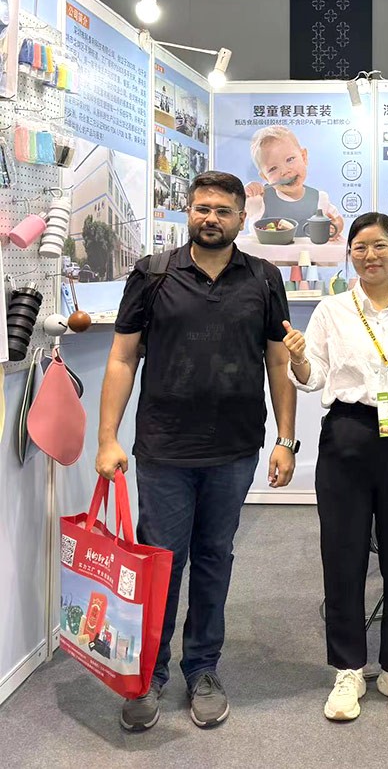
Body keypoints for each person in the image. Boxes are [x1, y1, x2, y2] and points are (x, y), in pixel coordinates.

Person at [95, 171, 298, 733]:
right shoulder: (153, 274)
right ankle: (148, 674)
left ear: (241, 218)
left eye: (223, 210)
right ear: (188, 211)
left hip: (234, 448)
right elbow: (122, 358)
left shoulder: (263, 278)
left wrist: (286, 440)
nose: (211, 218)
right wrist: (107, 437)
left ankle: (203, 668)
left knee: (214, 558)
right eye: (202, 208)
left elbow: (278, 361)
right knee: (161, 562)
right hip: (164, 448)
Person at [282, 212, 388, 722]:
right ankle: (348, 668)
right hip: (348, 435)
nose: (370, 255)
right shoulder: (332, 310)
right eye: (360, 247)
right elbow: (313, 378)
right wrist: (298, 359)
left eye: (380, 245)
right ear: (350, 254)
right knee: (343, 554)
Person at [244, 125, 344, 235]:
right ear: (265, 177)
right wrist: (248, 193)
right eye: (273, 169)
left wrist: (335, 227)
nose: (285, 171)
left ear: (304, 157)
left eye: (290, 159)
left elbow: (337, 219)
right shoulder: (260, 200)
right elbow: (239, 212)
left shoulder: (319, 199)